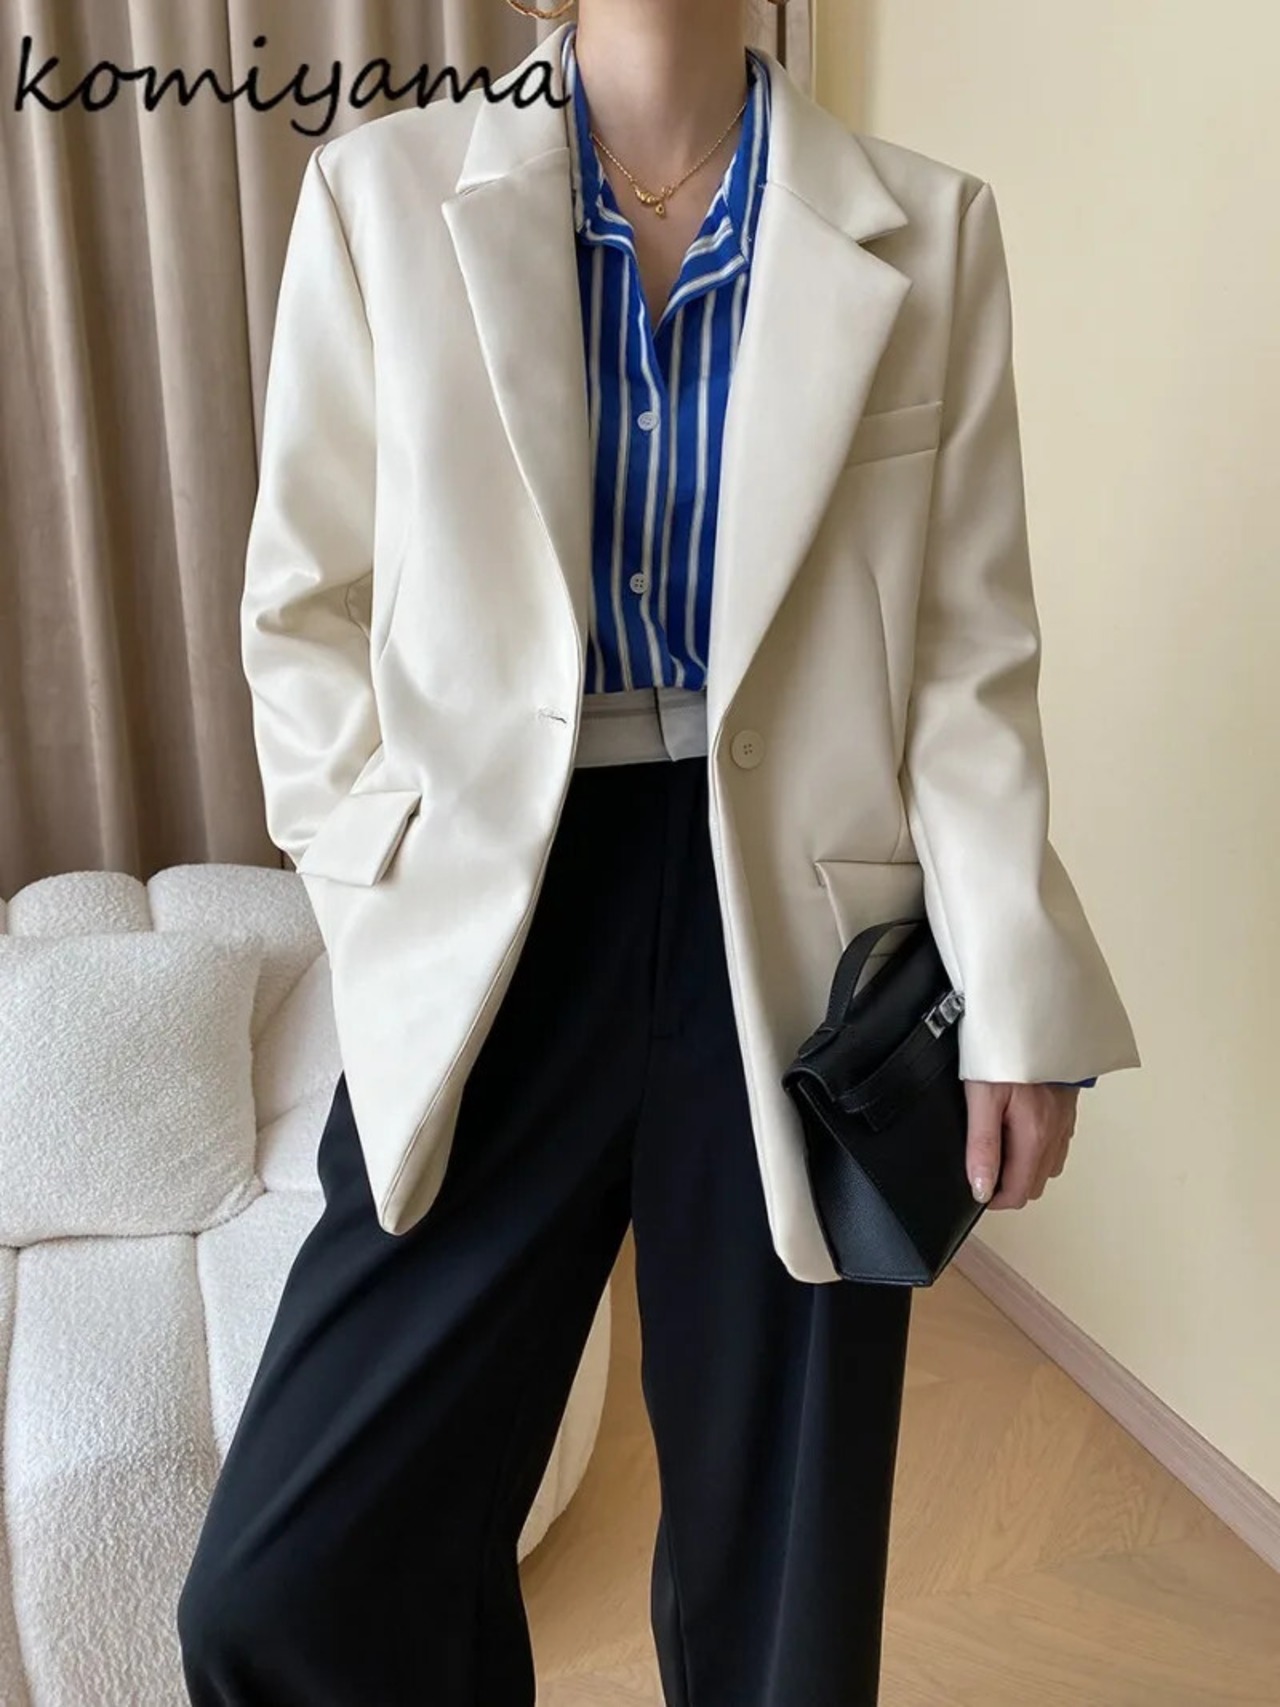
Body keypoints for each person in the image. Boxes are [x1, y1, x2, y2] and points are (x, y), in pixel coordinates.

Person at [177, 1, 1140, 1702]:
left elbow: (967, 659)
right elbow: (302, 611)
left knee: (782, 1617)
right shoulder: (382, 197)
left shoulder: (928, 226)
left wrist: (1016, 992)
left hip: (802, 947)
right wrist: (382, 867)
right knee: (284, 1593)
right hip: (497, 919)